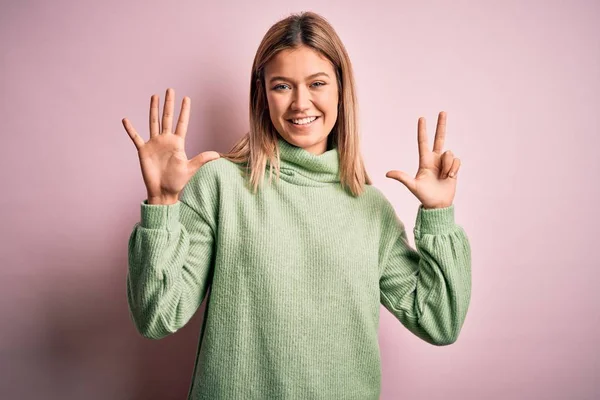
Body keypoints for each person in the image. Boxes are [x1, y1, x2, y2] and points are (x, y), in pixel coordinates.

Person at [122, 11, 471, 400]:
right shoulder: (221, 184)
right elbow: (156, 316)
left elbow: (440, 322)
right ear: (262, 94)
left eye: (317, 83)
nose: (300, 103)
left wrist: (439, 217)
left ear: (341, 89)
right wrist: (163, 203)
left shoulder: (370, 208)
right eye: (282, 86)